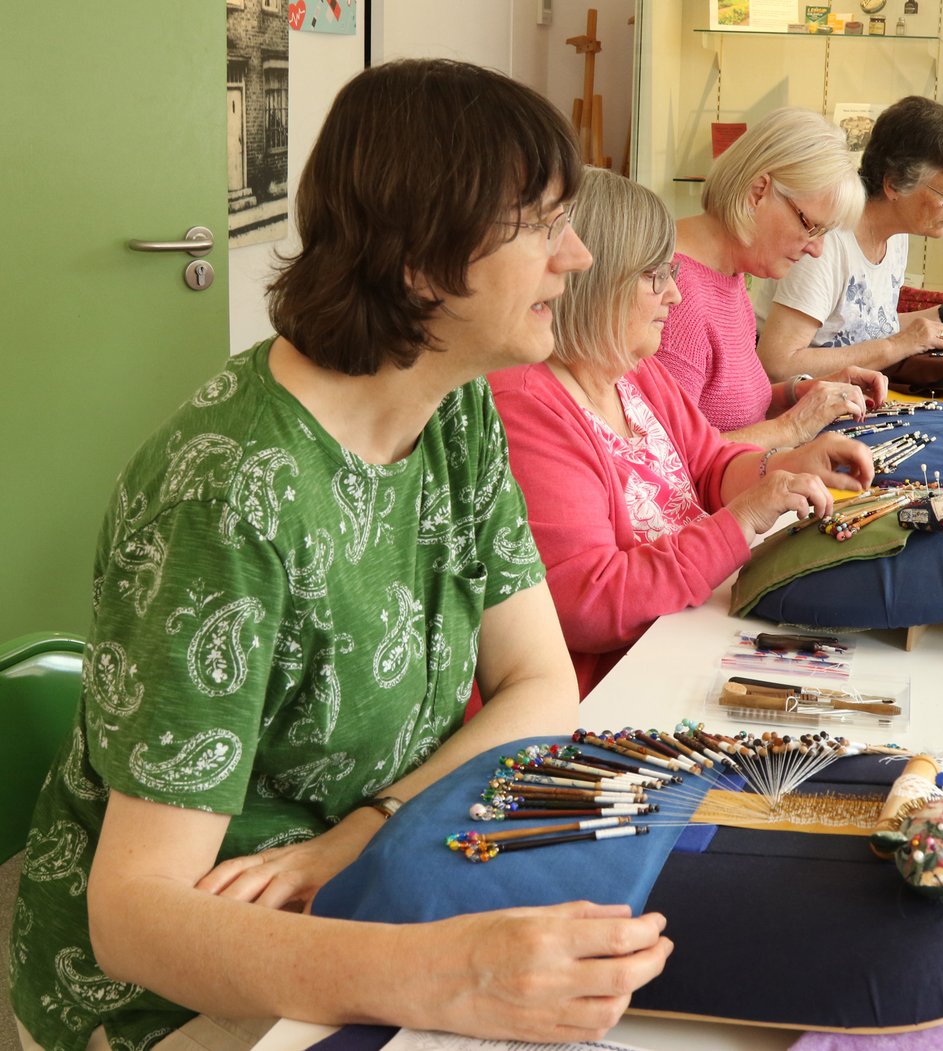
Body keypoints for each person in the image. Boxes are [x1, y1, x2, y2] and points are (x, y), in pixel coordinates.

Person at [8, 60, 674, 1051]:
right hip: (186, 984)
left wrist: (360, 831)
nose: (575, 256)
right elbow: (135, 917)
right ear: (418, 264)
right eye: (539, 224)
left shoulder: (456, 410)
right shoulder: (229, 492)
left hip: (364, 887)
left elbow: (539, 684)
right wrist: (445, 975)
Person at [491, 168, 874, 698]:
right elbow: (592, 602)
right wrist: (738, 524)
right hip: (619, 687)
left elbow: (711, 466)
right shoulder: (528, 405)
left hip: (686, 632)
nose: (674, 294)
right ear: (594, 278)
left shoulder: (634, 369)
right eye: (655, 276)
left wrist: (784, 469)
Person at [653, 106, 887, 449]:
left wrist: (802, 393)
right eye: (811, 227)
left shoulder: (728, 274)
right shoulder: (675, 294)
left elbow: (729, 408)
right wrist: (794, 427)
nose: (817, 250)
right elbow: (670, 460)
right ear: (758, 192)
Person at [757, 95, 943, 380]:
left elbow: (867, 334)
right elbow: (777, 364)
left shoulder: (895, 236)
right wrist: (896, 346)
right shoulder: (827, 241)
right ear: (894, 184)